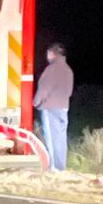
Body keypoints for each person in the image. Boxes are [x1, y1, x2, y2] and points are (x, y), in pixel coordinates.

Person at [34, 41, 74, 171]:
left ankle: (54, 168)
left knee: (51, 138)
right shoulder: (68, 70)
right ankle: (61, 166)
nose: (47, 56)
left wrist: (36, 102)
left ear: (52, 54)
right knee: (60, 137)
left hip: (51, 108)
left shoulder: (52, 69)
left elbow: (44, 88)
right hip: (63, 107)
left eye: (48, 53)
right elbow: (68, 91)